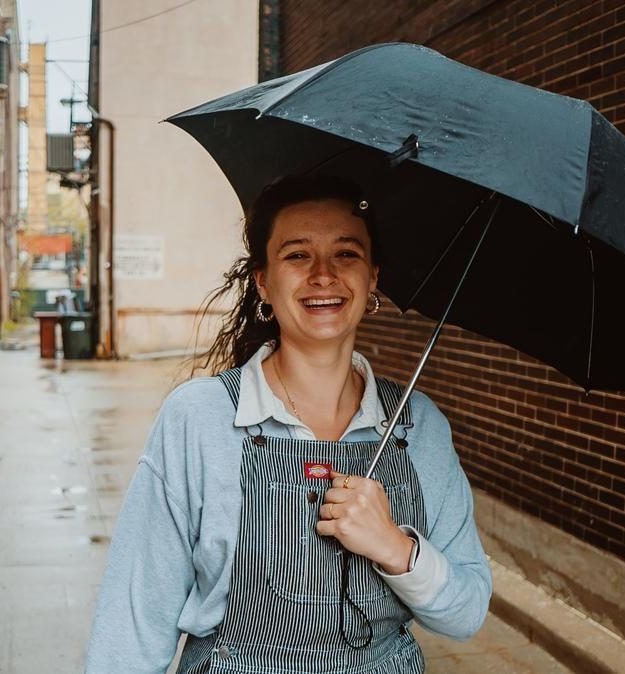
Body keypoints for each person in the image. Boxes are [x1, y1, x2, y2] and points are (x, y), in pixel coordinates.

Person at [85, 175, 492, 673]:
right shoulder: (201, 420)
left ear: (373, 278)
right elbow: (133, 622)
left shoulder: (417, 427)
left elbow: (467, 613)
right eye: (298, 255)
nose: (324, 275)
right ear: (263, 281)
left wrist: (395, 547)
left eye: (347, 254)